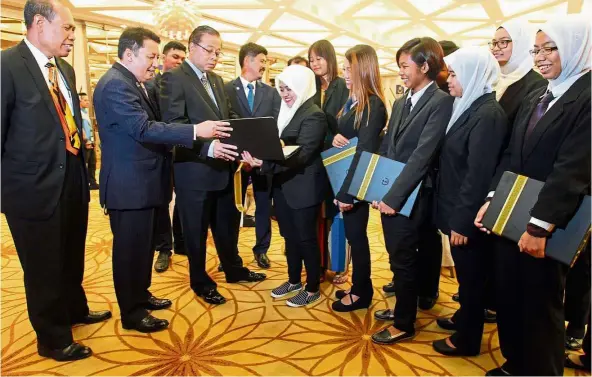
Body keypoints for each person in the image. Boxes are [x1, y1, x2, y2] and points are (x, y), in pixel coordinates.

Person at [93, 27, 230, 333]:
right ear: (129, 54)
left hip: (145, 184)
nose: (155, 63)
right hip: (129, 187)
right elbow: (145, 128)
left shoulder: (135, 83)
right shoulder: (115, 85)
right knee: (129, 253)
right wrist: (196, 131)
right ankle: (132, 313)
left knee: (142, 249)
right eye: (151, 56)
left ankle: (140, 296)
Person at [475, 16, 590, 376]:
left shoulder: (586, 96)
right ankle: (516, 363)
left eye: (550, 48)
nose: (540, 57)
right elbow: (511, 153)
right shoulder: (540, 93)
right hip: (512, 213)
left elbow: (573, 169)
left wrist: (539, 228)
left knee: (541, 306)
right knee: (512, 296)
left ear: (574, 47)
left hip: (551, 223)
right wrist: (493, 199)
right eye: (536, 50)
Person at [1, 0, 112, 361]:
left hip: (72, 179)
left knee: (71, 254)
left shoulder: (64, 68)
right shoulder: (6, 67)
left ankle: (73, 308)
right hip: (31, 189)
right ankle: (51, 337)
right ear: (38, 24)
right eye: (66, 28)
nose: (71, 37)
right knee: (43, 265)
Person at [159, 25, 266, 306]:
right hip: (193, 171)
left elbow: (228, 119)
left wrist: (246, 148)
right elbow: (174, 127)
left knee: (227, 226)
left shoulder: (217, 81)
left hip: (224, 170)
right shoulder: (173, 79)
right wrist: (209, 147)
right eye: (209, 50)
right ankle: (200, 281)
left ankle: (233, 269)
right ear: (192, 46)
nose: (214, 57)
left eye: (218, 52)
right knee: (195, 232)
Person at [370, 37, 453, 345]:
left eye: (405, 66)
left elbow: (423, 155)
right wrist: (377, 185)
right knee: (397, 256)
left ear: (425, 66)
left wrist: (393, 198)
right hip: (393, 188)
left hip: (414, 193)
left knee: (403, 257)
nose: (401, 72)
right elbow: (389, 144)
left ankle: (404, 322)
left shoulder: (441, 101)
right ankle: (406, 305)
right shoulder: (404, 99)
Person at [431, 47, 507, 356]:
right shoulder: (470, 106)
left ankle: (467, 339)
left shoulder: (487, 114)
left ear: (473, 74)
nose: (449, 79)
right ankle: (466, 320)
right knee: (468, 278)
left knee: (472, 280)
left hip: (467, 215)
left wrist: (461, 222)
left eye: (454, 73)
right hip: (455, 208)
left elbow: (478, 176)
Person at [241, 64, 328, 307]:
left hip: (303, 188)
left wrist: (263, 164)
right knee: (289, 237)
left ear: (302, 87)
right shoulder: (285, 111)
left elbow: (302, 155)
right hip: (282, 185)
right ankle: (293, 281)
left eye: (289, 88)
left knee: (305, 239)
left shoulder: (313, 114)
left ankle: (312, 288)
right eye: (281, 88)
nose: (285, 93)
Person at [330, 45, 387, 312]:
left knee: (357, 238)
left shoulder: (373, 104)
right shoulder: (353, 101)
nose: (345, 73)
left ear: (363, 69)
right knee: (354, 237)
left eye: (349, 68)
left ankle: (362, 292)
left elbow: (364, 152)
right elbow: (348, 137)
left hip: (356, 184)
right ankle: (357, 287)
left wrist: (347, 193)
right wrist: (335, 138)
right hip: (346, 178)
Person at [224, 42, 281, 269]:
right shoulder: (226, 89)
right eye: (262, 61)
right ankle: (230, 254)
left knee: (263, 206)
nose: (264, 66)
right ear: (247, 61)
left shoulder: (271, 93)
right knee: (231, 208)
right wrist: (239, 157)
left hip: (262, 160)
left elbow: (275, 125)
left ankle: (262, 250)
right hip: (234, 160)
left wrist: (261, 157)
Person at [309, 39, 350, 284]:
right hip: (315, 161)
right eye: (311, 59)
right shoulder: (311, 87)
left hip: (338, 159)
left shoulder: (342, 86)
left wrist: (332, 137)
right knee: (319, 217)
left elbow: (345, 124)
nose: (314, 63)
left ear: (330, 59)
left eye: (319, 58)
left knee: (340, 216)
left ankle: (342, 268)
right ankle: (320, 265)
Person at [145, 40, 187, 273]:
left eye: (182, 58)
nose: (178, 61)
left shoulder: (187, 84)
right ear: (163, 58)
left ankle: (182, 242)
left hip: (183, 151)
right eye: (174, 57)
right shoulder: (151, 85)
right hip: (159, 152)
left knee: (184, 198)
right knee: (162, 200)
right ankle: (164, 248)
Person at [491, 21, 547, 136]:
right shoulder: (492, 79)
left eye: (503, 42)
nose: (495, 48)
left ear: (521, 44)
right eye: (494, 43)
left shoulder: (538, 85)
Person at [78, 92, 98, 190]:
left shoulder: (85, 113)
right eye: (85, 100)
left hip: (91, 142)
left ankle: (92, 182)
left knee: (92, 163)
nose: (88, 102)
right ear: (79, 101)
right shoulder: (79, 113)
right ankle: (84, 184)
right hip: (85, 142)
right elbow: (81, 128)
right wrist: (86, 140)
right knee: (84, 164)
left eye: (88, 100)